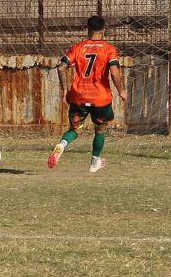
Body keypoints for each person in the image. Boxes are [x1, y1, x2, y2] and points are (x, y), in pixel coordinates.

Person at [47, 15, 127, 173]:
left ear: (88, 29)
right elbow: (114, 72)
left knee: (74, 130)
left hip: (78, 96)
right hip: (100, 98)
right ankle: (94, 163)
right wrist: (121, 90)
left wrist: (65, 90)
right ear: (103, 31)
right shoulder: (109, 49)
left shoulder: (78, 47)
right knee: (100, 129)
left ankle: (62, 144)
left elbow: (61, 68)